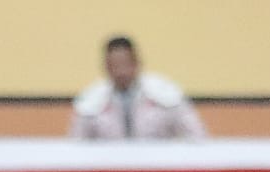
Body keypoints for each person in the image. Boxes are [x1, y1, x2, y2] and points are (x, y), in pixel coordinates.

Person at [70, 36, 204, 140]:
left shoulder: (166, 95)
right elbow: (76, 147)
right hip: (109, 169)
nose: (121, 72)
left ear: (137, 63)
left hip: (158, 168)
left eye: (125, 64)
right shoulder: (90, 101)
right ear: (105, 67)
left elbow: (196, 136)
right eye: (114, 66)